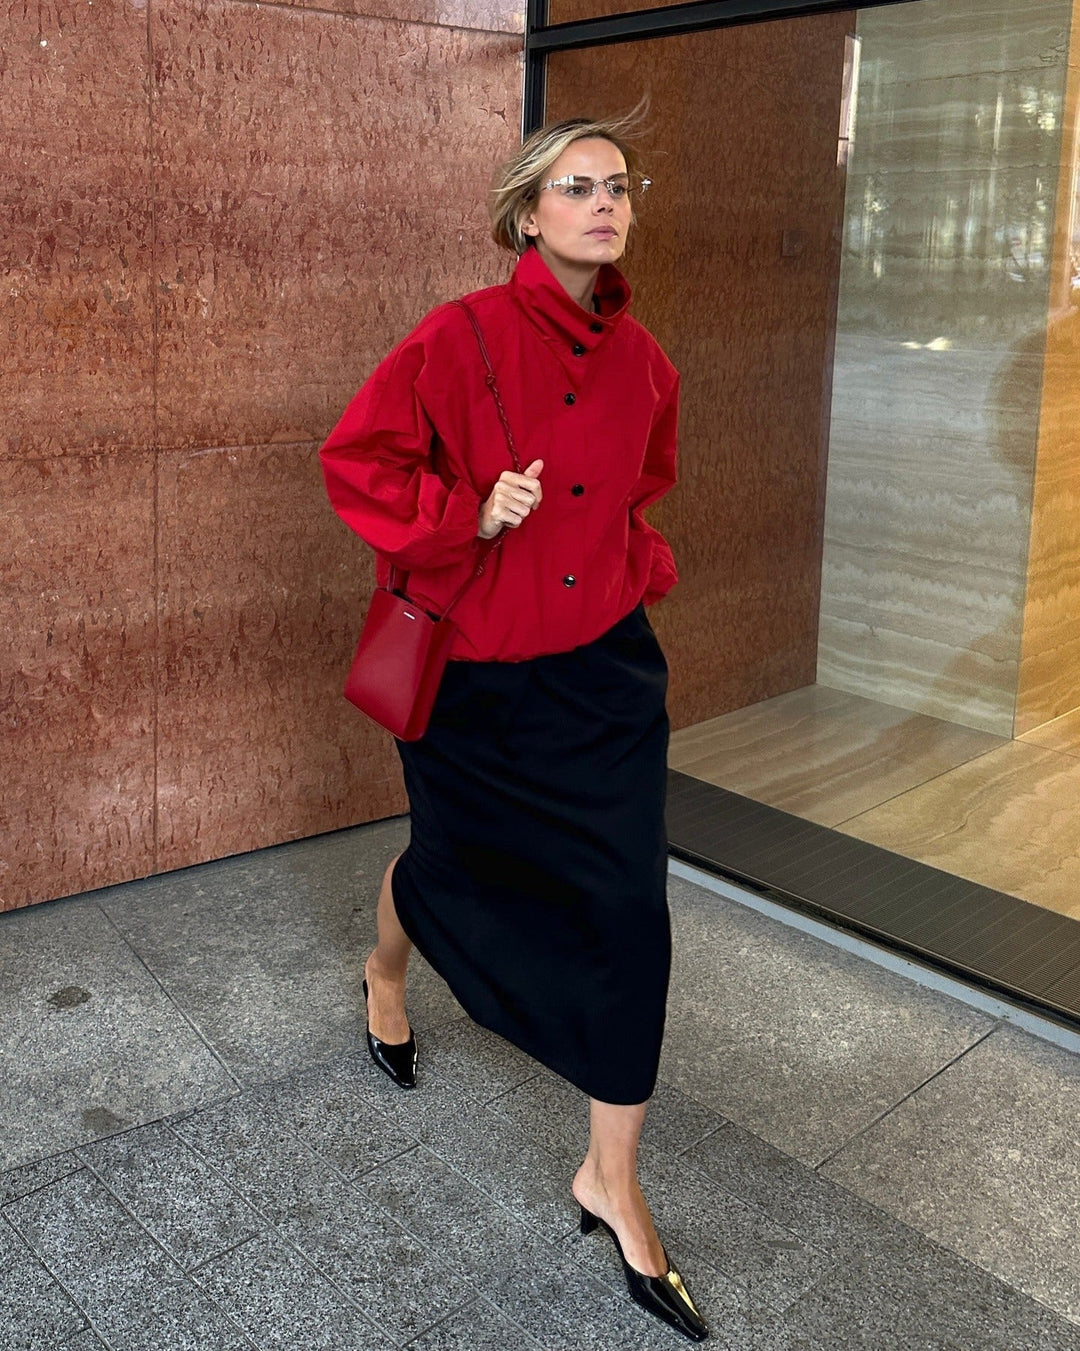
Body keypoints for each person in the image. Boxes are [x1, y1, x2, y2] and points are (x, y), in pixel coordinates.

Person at [320, 113, 708, 1344]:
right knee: (448, 867)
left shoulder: (646, 360)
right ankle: (387, 968)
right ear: (526, 214)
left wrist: (628, 563)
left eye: (618, 187)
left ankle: (612, 1176)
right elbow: (358, 461)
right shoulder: (458, 336)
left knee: (628, 909)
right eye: (575, 187)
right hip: (480, 676)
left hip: (602, 683)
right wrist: (468, 509)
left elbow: (644, 485)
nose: (603, 203)